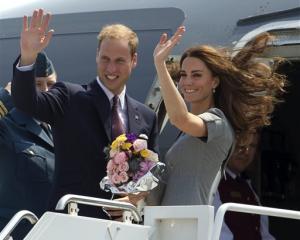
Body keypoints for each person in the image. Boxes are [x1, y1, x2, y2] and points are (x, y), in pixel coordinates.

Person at [12, 9, 158, 219]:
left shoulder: (146, 116)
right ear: (97, 55)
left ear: (134, 60)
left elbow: (152, 172)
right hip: (74, 220)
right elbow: (27, 102)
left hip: (125, 225)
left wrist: (136, 197)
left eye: (119, 60)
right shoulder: (70, 96)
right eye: (105, 58)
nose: (111, 68)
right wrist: (28, 56)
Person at [149, 26, 285, 206]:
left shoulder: (218, 122)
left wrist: (160, 65)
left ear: (214, 81)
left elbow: (180, 118)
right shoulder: (185, 135)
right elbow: (166, 188)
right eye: (183, 74)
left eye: (196, 75)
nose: (187, 81)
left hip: (192, 226)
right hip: (168, 224)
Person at [0, 52, 56, 239]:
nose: (46, 91)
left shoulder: (61, 127)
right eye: (38, 84)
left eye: (51, 84)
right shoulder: (6, 125)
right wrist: (6, 96)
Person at [214, 131, 275, 240]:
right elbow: (220, 235)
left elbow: (264, 235)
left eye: (252, 145)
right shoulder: (214, 184)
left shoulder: (249, 188)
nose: (246, 151)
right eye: (241, 143)